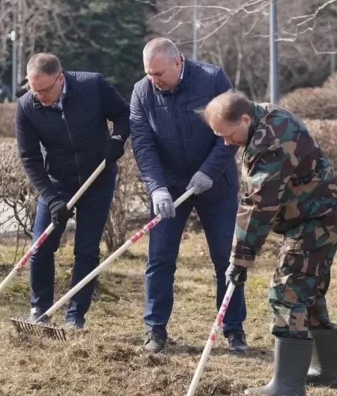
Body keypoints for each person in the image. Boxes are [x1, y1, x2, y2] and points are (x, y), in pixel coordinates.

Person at [201, 91, 337, 396]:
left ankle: (287, 386)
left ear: (245, 119)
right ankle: (326, 372)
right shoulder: (261, 117)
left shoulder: (271, 141)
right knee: (307, 291)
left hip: (319, 220)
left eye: (229, 135)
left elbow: (259, 205)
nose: (227, 143)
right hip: (318, 216)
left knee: (287, 291)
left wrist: (240, 259)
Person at [129, 38, 246, 354]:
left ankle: (234, 330)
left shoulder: (211, 79)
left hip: (216, 185)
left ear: (178, 62)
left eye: (159, 73)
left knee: (226, 258)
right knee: (160, 259)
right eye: (149, 74)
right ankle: (155, 329)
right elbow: (142, 143)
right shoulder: (142, 92)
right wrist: (157, 187)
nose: (154, 80)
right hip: (170, 189)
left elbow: (231, 132)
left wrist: (208, 171)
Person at [16, 52, 130, 330]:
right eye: (34, 90)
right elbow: (29, 158)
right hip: (58, 183)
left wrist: (117, 138)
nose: (39, 96)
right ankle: (39, 311)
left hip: (97, 180)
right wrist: (53, 199)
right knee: (41, 248)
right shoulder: (26, 106)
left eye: (44, 90)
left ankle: (75, 317)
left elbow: (124, 113)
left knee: (86, 250)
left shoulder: (93, 86)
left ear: (61, 78)